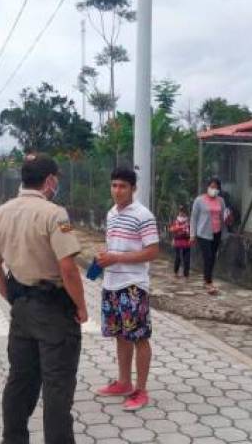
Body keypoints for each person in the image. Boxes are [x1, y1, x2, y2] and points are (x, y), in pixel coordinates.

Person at [0, 153, 88, 444]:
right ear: (50, 180)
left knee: (20, 382)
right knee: (57, 389)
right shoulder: (56, 215)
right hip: (55, 312)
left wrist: (14, 300)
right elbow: (68, 269)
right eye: (56, 179)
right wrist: (81, 306)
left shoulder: (0, 213)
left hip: (22, 311)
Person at [94, 167, 159, 411]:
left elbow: (152, 251)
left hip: (133, 286)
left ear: (133, 188)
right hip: (111, 283)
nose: (117, 190)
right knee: (121, 335)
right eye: (114, 185)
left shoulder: (143, 215)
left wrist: (117, 258)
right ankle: (123, 382)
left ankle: (141, 391)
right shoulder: (111, 213)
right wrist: (105, 256)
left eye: (122, 186)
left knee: (139, 337)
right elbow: (116, 245)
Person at [190, 177, 226, 295]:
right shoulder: (199, 200)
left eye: (216, 187)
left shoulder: (221, 201)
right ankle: (208, 282)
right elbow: (194, 218)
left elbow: (223, 216)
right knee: (208, 257)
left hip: (217, 232)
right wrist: (192, 234)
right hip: (203, 233)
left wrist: (225, 231)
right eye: (212, 187)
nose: (214, 189)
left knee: (213, 257)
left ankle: (207, 279)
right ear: (207, 187)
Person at [169, 205, 191, 279]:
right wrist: (178, 228)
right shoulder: (176, 221)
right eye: (181, 211)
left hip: (186, 241)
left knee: (186, 259)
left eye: (183, 211)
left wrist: (187, 232)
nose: (181, 213)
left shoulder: (188, 221)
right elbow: (171, 229)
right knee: (178, 257)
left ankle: (186, 274)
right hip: (178, 241)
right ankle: (176, 271)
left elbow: (191, 231)